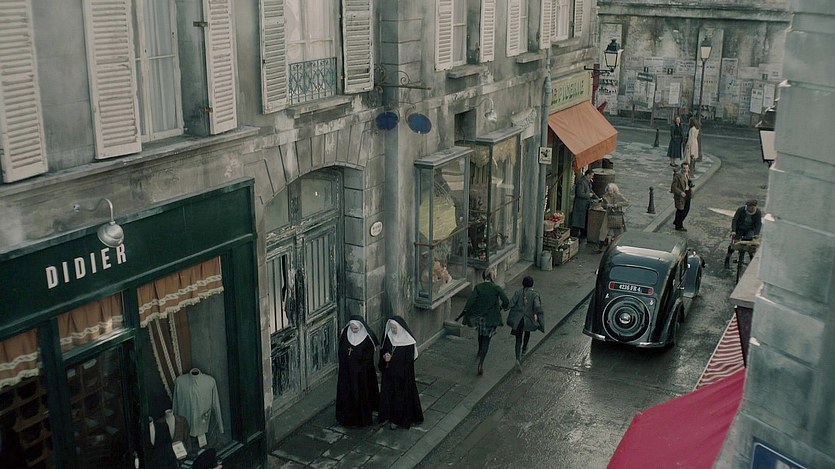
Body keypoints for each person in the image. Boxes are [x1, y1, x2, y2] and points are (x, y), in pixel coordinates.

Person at [458, 267, 510, 376]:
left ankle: (479, 350)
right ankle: (481, 363)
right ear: (493, 276)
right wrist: (501, 308)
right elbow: (506, 301)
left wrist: (465, 313)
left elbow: (470, 301)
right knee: (487, 340)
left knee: (480, 334)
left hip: (479, 317)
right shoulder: (496, 288)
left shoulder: (478, 287)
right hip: (491, 318)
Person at [378, 316, 424, 430]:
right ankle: (386, 416)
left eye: (394, 328)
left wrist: (397, 365)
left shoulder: (408, 341)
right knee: (387, 395)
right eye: (391, 327)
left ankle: (397, 420)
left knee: (399, 397)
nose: (393, 330)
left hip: (402, 375)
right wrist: (385, 355)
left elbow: (409, 360)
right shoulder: (389, 336)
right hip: (389, 373)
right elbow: (384, 349)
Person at [335, 315, 380, 427]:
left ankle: (361, 420)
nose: (353, 330)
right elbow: (341, 349)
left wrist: (359, 366)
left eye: (356, 328)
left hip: (361, 374)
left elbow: (369, 356)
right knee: (346, 394)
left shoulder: (367, 338)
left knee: (360, 395)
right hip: (347, 372)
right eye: (352, 328)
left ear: (360, 327)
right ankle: (345, 418)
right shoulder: (346, 333)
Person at [505, 276, 544, 372]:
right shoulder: (535, 294)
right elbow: (537, 306)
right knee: (527, 332)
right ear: (532, 284)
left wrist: (505, 308)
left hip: (518, 320)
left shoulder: (518, 292)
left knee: (518, 338)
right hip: (528, 320)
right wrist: (536, 314)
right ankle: (524, 348)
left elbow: (511, 303)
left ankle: (517, 358)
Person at [724, 199, 763, 269]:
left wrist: (756, 234)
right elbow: (735, 220)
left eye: (753, 208)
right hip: (740, 228)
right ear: (747, 206)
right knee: (733, 244)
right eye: (750, 207)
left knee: (751, 245)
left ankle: (751, 258)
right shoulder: (741, 210)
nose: (751, 209)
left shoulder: (758, 212)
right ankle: (727, 258)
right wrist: (733, 231)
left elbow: (758, 224)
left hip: (750, 229)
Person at [599, 182, 629, 250]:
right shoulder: (605, 196)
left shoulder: (619, 196)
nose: (610, 192)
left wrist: (617, 204)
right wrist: (606, 205)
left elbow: (626, 202)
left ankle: (618, 245)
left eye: (611, 191)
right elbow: (603, 205)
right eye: (608, 191)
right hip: (608, 215)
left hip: (617, 215)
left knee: (617, 231)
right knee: (603, 231)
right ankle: (600, 246)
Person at [569, 169, 596, 239]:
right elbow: (579, 193)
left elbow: (591, 191)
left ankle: (582, 234)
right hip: (580, 205)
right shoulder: (581, 182)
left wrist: (596, 197)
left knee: (583, 220)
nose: (592, 177)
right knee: (578, 221)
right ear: (588, 175)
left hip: (585, 205)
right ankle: (574, 235)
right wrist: (588, 195)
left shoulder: (588, 182)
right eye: (592, 175)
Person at [670, 162, 692, 232]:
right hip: (681, 195)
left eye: (687, 168)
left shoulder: (688, 175)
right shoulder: (678, 176)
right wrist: (680, 192)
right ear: (682, 168)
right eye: (684, 168)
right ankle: (679, 226)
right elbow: (673, 187)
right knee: (681, 210)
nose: (685, 170)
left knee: (686, 209)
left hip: (687, 193)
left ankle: (677, 221)